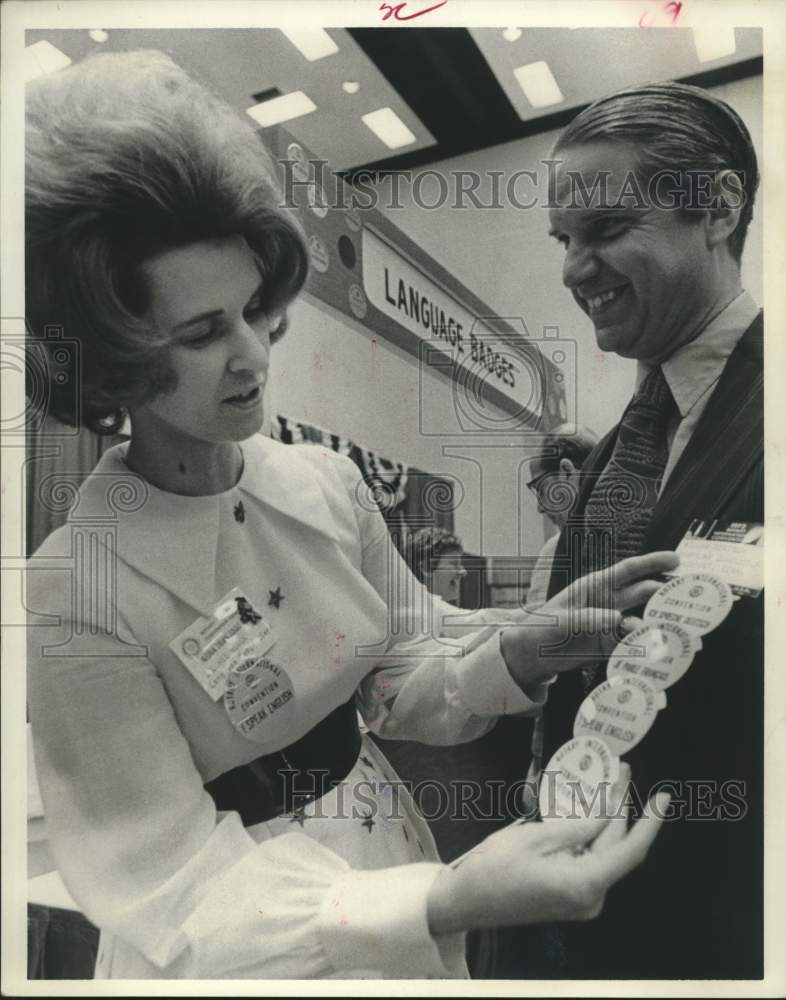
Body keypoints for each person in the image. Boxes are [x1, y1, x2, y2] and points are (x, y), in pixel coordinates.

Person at [24, 50, 673, 980]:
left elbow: (400, 667)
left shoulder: (326, 484)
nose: (254, 354)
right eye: (204, 333)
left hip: (383, 839)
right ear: (112, 360)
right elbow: (169, 879)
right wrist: (440, 900)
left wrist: (528, 645)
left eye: (254, 308)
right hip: (245, 937)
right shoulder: (76, 588)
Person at [540, 81, 763, 978]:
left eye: (604, 231)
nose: (571, 269)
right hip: (579, 918)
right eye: (563, 241)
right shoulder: (611, 455)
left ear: (716, 207)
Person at [525, 423, 600, 607]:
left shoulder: (554, 551)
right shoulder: (552, 550)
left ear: (566, 473)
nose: (540, 508)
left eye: (541, 489)